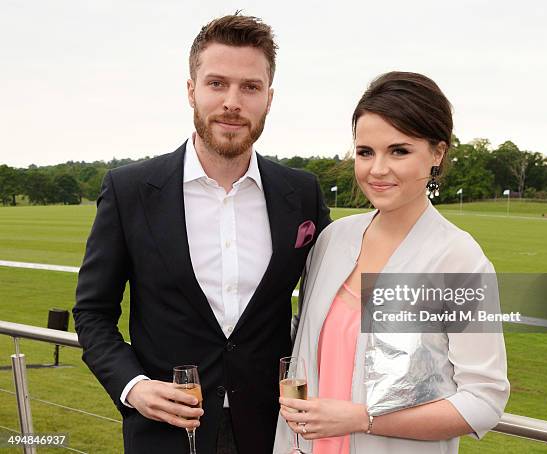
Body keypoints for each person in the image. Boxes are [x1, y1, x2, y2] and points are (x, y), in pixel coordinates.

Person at [73, 14, 330, 454]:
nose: (233, 102)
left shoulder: (301, 193)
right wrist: (133, 387)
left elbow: (334, 299)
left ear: (269, 97)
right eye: (217, 84)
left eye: (250, 87)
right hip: (166, 434)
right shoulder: (130, 189)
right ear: (191, 90)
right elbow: (93, 313)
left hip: (274, 431)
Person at [274, 72, 510, 453]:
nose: (377, 169)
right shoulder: (333, 240)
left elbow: (484, 401)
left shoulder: (458, 259)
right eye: (365, 152)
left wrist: (362, 419)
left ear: (437, 154)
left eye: (398, 151)